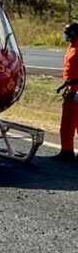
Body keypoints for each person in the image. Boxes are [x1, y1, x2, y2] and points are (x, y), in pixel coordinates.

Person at [55, 23, 78, 160]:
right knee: (67, 123)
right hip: (70, 89)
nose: (65, 35)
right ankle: (67, 151)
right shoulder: (71, 47)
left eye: (68, 32)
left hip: (76, 89)